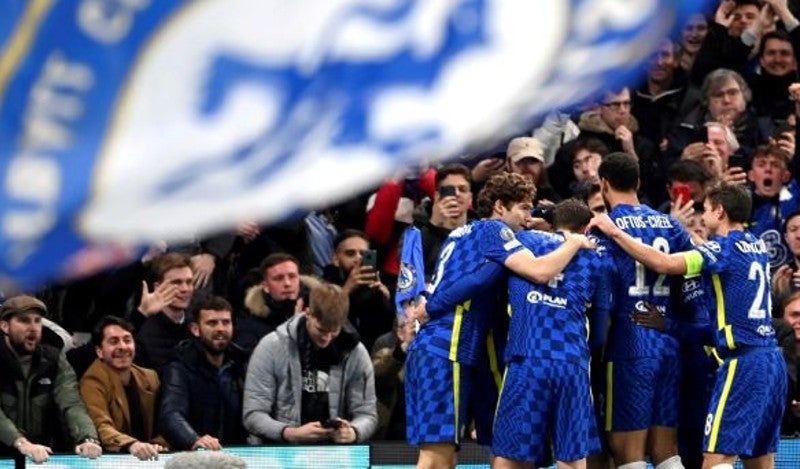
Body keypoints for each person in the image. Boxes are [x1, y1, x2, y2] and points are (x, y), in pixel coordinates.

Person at [589, 181, 788, 469]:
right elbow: (714, 328)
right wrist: (670, 326)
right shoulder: (756, 246)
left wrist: (615, 232)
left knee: (716, 461)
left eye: (705, 210)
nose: (702, 218)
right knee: (761, 461)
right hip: (772, 362)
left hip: (742, 365)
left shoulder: (721, 250)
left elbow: (665, 264)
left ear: (720, 212)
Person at [405, 172, 594, 469]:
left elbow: (476, 280)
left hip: (444, 348)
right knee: (437, 458)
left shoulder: (465, 233)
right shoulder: (494, 231)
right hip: (446, 348)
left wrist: (431, 305)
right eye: (522, 207)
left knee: (451, 453)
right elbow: (539, 272)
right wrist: (573, 243)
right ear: (499, 206)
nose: (527, 216)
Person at [594, 152, 694, 469]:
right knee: (666, 449)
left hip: (629, 341)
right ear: (638, 182)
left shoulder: (605, 227)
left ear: (604, 184)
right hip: (667, 340)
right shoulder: (672, 225)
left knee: (627, 450)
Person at [492, 199, 609, 469]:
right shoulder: (598, 258)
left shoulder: (523, 241)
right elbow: (600, 333)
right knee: (571, 458)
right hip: (572, 361)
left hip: (527, 357)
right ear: (585, 228)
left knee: (511, 456)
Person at [243, 282, 377, 444]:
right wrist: (290, 433)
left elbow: (367, 414)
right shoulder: (271, 347)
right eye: (321, 330)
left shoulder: (355, 352)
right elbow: (253, 414)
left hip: (335, 453)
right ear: (308, 313)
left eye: (334, 331)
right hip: (280, 452)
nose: (327, 338)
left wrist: (353, 432)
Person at [0, 295, 101, 464]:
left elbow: (71, 403)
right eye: (24, 321)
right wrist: (20, 442)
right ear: (4, 326)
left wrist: (87, 437)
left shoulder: (53, 360)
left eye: (37, 321)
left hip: (38, 457)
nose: (33, 328)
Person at [159, 296, 248, 450]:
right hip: (196, 457)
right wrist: (194, 439)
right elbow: (171, 414)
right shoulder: (180, 366)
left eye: (226, 322)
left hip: (239, 453)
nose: (220, 328)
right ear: (195, 329)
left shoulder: (242, 362)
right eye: (212, 323)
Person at [79, 316, 166, 460]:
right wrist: (132, 444)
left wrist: (158, 443)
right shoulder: (92, 381)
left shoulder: (150, 377)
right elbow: (101, 427)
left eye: (127, 340)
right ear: (99, 351)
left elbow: (163, 422)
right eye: (114, 341)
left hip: (148, 458)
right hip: (110, 459)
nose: (123, 347)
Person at [323, 229, 394, 351]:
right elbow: (323, 320)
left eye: (363, 254)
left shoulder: (377, 287)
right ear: (335, 259)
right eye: (350, 254)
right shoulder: (322, 287)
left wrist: (387, 298)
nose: (358, 259)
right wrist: (346, 290)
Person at [234, 252, 311, 354]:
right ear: (265, 286)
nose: (287, 283)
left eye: (292, 276)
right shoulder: (250, 325)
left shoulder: (318, 311)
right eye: (278, 278)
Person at [134, 252, 195, 370]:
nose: (185, 289)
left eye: (189, 282)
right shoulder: (142, 332)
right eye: (176, 283)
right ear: (157, 287)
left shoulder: (197, 328)